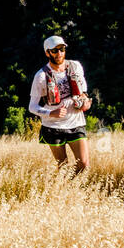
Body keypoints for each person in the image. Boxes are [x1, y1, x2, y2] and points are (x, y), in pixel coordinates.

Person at [28, 34, 93, 173]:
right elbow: (32, 106)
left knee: (84, 164)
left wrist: (85, 101)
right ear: (47, 53)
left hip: (76, 123)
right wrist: (51, 113)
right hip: (53, 126)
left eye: (62, 49)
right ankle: (63, 191)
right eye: (55, 50)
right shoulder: (40, 76)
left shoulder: (76, 66)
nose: (59, 53)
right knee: (63, 167)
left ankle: (75, 191)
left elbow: (84, 91)